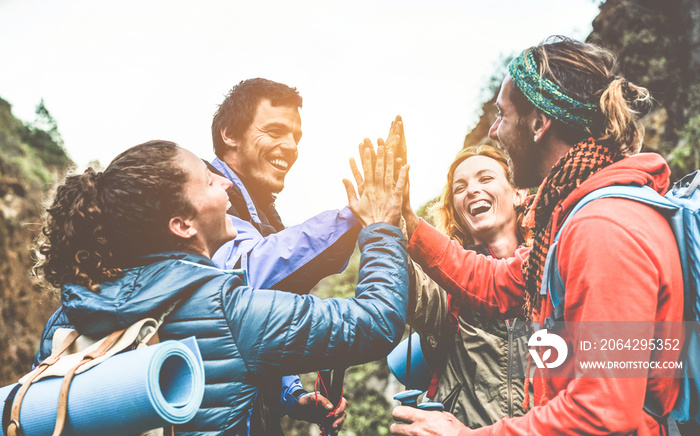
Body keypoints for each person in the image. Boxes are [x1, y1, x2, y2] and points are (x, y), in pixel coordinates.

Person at [390, 36, 683, 435]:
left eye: (502, 115)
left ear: (539, 124)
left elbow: (603, 412)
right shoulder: (572, 224)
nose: (494, 131)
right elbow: (493, 282)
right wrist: (405, 219)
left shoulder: (603, 229)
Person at [34, 140, 410, 435]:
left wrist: (289, 395)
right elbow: (376, 321)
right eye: (209, 180)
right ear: (182, 225)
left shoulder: (64, 320)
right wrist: (380, 227)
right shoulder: (227, 308)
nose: (226, 181)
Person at [208, 78, 405, 432]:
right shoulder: (208, 206)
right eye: (275, 131)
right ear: (229, 134)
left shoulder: (261, 214)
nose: (290, 146)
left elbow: (259, 326)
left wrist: (291, 394)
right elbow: (254, 271)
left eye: (296, 136)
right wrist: (356, 218)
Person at [405, 144, 532, 428]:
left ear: (518, 194)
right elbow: (409, 286)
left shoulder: (554, 269)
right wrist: (389, 223)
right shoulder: (442, 283)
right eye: (459, 188)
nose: (471, 190)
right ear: (457, 211)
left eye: (485, 179)